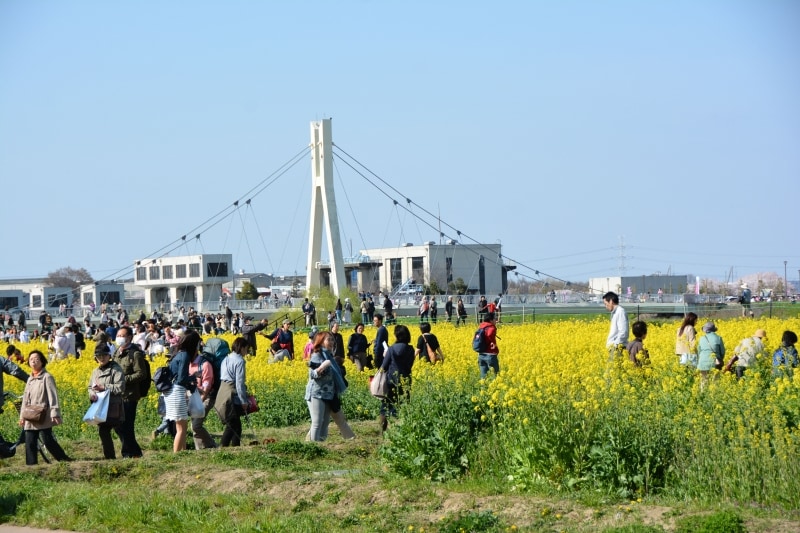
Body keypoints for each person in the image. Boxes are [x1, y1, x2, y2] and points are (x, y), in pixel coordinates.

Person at [18, 350, 71, 464]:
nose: (33, 361)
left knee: (48, 440)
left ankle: (63, 459)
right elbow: (25, 399)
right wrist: (22, 417)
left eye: (36, 359)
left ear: (42, 361)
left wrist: (55, 413)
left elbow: (53, 396)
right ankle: (31, 466)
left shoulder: (47, 377)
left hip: (44, 414)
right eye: (31, 359)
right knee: (30, 441)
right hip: (30, 414)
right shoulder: (30, 379)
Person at [305, 331, 353, 441]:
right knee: (317, 423)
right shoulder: (317, 355)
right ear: (321, 341)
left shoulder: (329, 356)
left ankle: (321, 446)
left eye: (332, 340)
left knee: (325, 423)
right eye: (328, 340)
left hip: (328, 394)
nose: (331, 342)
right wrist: (322, 366)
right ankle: (313, 447)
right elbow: (312, 374)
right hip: (317, 393)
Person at [112, 325, 148, 458]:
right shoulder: (116, 352)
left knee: (126, 425)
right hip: (117, 394)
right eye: (118, 335)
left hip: (130, 395)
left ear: (130, 337)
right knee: (117, 425)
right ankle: (135, 452)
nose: (119, 338)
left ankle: (128, 453)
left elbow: (141, 374)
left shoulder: (135, 354)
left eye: (122, 336)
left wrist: (124, 379)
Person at [88, 343, 126, 459]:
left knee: (121, 431)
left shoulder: (116, 369)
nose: (102, 358)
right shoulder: (95, 371)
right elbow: (90, 387)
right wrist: (92, 395)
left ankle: (130, 454)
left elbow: (120, 387)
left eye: (104, 355)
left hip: (114, 406)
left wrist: (104, 387)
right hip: (100, 407)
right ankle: (110, 458)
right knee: (103, 431)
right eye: (99, 356)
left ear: (109, 356)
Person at [164, 330, 200, 452]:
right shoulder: (185, 355)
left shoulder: (178, 353)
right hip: (177, 392)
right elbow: (181, 379)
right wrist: (194, 376)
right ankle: (176, 455)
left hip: (171, 392)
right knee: (181, 428)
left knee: (182, 426)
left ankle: (183, 452)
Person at [378, 324, 416, 433]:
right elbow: (410, 364)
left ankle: (383, 431)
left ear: (397, 336)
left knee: (386, 406)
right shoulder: (411, 349)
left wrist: (385, 355)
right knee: (404, 405)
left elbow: (384, 366)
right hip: (405, 380)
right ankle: (404, 431)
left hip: (391, 381)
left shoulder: (391, 349)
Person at [214, 337, 250, 447]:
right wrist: (244, 401)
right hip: (231, 393)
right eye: (246, 349)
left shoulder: (226, 358)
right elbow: (239, 383)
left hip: (222, 390)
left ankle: (235, 447)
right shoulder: (239, 361)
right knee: (232, 424)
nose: (247, 352)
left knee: (235, 423)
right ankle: (222, 447)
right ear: (242, 348)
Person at [189, 334, 217, 450]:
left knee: (196, 425)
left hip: (205, 398)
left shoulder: (205, 365)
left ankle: (212, 445)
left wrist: (199, 403)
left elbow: (207, 387)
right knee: (194, 425)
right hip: (194, 398)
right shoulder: (188, 364)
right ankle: (200, 448)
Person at [697, 322, 725, 387]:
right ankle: (713, 393)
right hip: (715, 363)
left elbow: (699, 351)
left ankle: (703, 393)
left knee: (704, 381)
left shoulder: (701, 338)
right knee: (715, 381)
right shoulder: (718, 338)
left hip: (702, 363)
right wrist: (720, 359)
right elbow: (722, 352)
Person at [603, 292, 629, 360]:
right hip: (614, 347)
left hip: (617, 348)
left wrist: (615, 345)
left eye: (606, 304)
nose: (606, 307)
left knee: (615, 366)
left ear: (611, 301)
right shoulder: (615, 312)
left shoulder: (620, 312)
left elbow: (623, 332)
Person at [476, 311, 500, 378]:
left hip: (481, 355)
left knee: (483, 377)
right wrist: (495, 347)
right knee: (496, 377)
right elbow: (489, 334)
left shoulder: (481, 327)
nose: (496, 320)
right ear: (491, 320)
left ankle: (483, 385)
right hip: (490, 355)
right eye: (495, 318)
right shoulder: (491, 327)